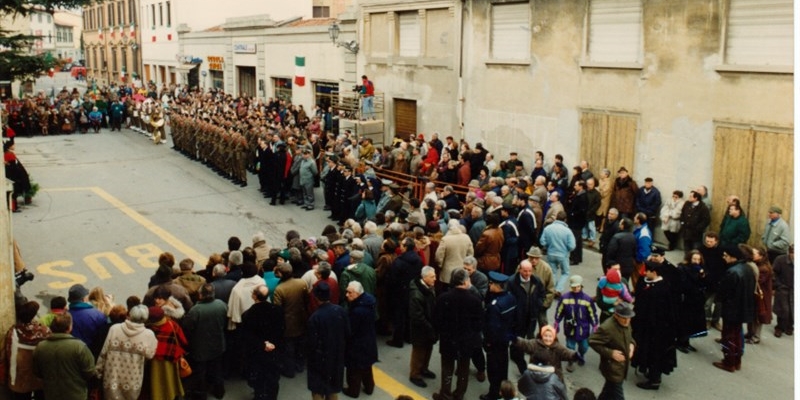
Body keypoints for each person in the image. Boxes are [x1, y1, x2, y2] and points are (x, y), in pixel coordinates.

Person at [432, 269, 483, 400]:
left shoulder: (443, 298)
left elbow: (436, 320)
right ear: (466, 281)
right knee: (463, 368)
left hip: (448, 339)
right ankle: (459, 394)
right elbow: (478, 324)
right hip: (466, 341)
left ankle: (445, 394)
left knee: (447, 367)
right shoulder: (475, 301)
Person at [631, 262, 678, 390]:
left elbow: (666, 310)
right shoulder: (643, 281)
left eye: (647, 271)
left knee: (655, 352)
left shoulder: (663, 287)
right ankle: (649, 370)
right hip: (643, 324)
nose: (644, 273)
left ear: (655, 272)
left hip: (657, 328)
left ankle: (654, 380)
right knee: (645, 349)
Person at [95, 305, 157, 400]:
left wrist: (98, 370)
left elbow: (104, 352)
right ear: (145, 318)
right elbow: (150, 355)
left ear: (130, 315)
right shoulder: (148, 334)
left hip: (111, 378)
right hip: (133, 379)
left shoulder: (114, 328)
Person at [32, 313, 96, 400]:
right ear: (69, 328)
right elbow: (90, 372)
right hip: (76, 395)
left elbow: (37, 372)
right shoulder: (79, 347)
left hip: (51, 395)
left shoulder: (40, 347)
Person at [713, 245, 756, 372]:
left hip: (732, 308)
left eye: (726, 255)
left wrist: (719, 299)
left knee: (728, 336)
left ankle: (729, 362)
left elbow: (724, 291)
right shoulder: (747, 268)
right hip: (743, 307)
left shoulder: (732, 272)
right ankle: (736, 361)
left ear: (733, 257)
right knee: (737, 335)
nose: (724, 257)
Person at [181, 284, 228, 399]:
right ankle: (219, 391)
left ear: (200, 295)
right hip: (218, 344)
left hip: (200, 347)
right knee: (217, 369)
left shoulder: (195, 310)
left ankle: (201, 395)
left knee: (200, 372)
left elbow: (186, 328)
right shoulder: (221, 305)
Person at [307, 282, 350, 400]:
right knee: (332, 389)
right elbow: (347, 333)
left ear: (316, 297)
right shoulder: (340, 311)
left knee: (317, 390)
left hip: (319, 360)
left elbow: (312, 343)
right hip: (336, 357)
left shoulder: (315, 317)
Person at [241, 285, 285, 400]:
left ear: (254, 296)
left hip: (257, 352)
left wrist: (262, 344)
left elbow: (248, 336)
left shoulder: (247, 315)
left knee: (259, 378)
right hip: (275, 350)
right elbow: (281, 330)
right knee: (273, 377)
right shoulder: (278, 310)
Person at [2, 301, 51, 400]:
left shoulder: (13, 333)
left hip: (20, 380)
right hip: (39, 378)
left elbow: (6, 354)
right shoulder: (44, 332)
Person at [481, 271, 517, 400]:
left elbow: (492, 328)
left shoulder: (494, 306)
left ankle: (493, 394)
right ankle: (503, 391)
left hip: (495, 343)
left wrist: (487, 342)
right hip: (505, 340)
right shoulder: (510, 298)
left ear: (497, 286)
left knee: (493, 370)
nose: (490, 285)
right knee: (503, 368)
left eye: (491, 283)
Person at [588, 302, 635, 400]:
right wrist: (611, 353)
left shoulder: (626, 323)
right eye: (624, 318)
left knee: (608, 390)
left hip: (622, 366)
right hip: (612, 368)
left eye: (629, 318)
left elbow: (629, 336)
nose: (627, 321)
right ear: (616, 316)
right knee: (618, 395)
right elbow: (592, 341)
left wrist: (632, 345)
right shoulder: (607, 328)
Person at [507, 259, 545, 375]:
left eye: (529, 271)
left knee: (527, 336)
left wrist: (538, 305)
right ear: (519, 270)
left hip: (531, 316)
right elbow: (509, 298)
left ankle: (516, 353)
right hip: (518, 317)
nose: (527, 273)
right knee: (518, 339)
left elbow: (542, 294)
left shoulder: (536, 281)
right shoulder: (512, 282)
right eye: (525, 271)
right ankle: (520, 363)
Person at [553, 275, 598, 373]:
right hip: (570, 328)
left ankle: (581, 355)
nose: (576, 289)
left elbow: (592, 314)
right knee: (570, 346)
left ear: (581, 286)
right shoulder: (564, 298)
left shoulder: (587, 300)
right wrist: (556, 322)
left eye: (578, 286)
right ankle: (571, 360)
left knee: (584, 347)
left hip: (583, 329)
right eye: (574, 287)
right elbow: (559, 311)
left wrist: (595, 325)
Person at [343, 281, 378, 398]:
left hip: (357, 344)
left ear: (357, 294)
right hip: (369, 341)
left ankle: (353, 391)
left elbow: (350, 330)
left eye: (350, 292)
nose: (347, 294)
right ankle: (369, 387)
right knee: (366, 367)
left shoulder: (357, 311)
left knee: (353, 369)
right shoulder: (369, 301)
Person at [146, 305, 188, 400]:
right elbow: (183, 341)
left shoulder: (147, 329)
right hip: (171, 359)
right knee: (170, 380)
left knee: (156, 382)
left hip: (154, 362)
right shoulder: (172, 325)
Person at [512, 325, 578, 383]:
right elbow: (525, 344)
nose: (548, 338)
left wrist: (574, 355)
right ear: (542, 335)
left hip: (554, 377)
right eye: (545, 336)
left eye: (550, 336)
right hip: (536, 375)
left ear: (554, 337)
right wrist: (516, 340)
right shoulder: (535, 344)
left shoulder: (557, 347)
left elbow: (566, 353)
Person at [408, 267, 438, 389]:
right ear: (424, 277)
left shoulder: (428, 288)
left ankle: (424, 369)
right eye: (432, 277)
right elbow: (417, 316)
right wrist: (430, 327)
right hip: (420, 328)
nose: (435, 279)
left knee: (428, 348)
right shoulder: (416, 294)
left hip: (429, 325)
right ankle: (415, 374)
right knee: (419, 351)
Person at [675, 250, 708, 352]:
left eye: (698, 259)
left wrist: (702, 276)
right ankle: (680, 342)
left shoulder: (700, 270)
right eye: (694, 259)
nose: (696, 261)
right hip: (686, 299)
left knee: (691, 322)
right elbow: (683, 284)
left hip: (696, 299)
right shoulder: (682, 269)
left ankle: (686, 342)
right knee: (684, 321)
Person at [66, 283, 108, 356]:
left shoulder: (64, 316)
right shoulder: (98, 315)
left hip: (70, 353)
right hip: (91, 353)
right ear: (83, 299)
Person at [540, 211, 576, 294]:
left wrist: (548, 246)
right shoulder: (568, 231)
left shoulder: (548, 228)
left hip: (551, 253)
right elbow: (572, 246)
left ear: (556, 218)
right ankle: (558, 289)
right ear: (565, 220)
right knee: (565, 272)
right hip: (563, 255)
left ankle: (552, 288)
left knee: (553, 272)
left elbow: (542, 242)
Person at [745, 246, 773, 344]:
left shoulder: (764, 268)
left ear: (761, 256)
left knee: (758, 316)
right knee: (753, 314)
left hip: (762, 295)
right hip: (758, 294)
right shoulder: (758, 265)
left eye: (754, 253)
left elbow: (758, 281)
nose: (752, 255)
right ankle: (750, 333)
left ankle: (756, 336)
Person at [772, 244, 794, 337]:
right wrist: (778, 285)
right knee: (783, 309)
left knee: (793, 309)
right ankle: (779, 327)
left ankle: (790, 326)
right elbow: (774, 273)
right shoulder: (780, 260)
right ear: (790, 253)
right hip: (783, 287)